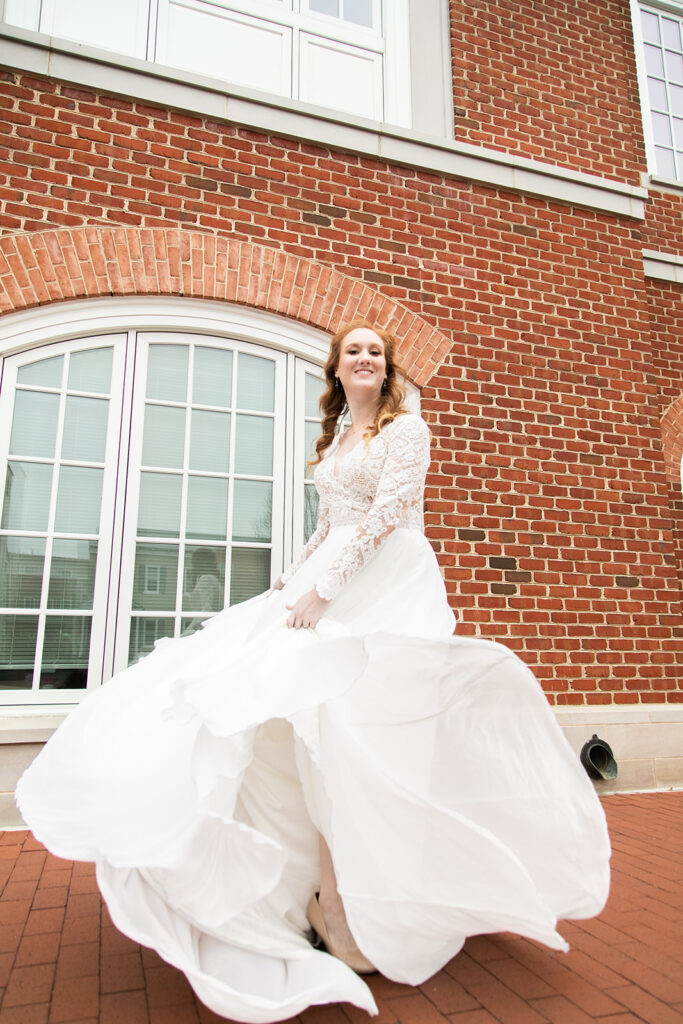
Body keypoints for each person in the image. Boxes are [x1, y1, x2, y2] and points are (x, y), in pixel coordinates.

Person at [15, 321, 610, 1023]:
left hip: (387, 580)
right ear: (336, 369)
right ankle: (293, 888)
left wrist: (326, 591)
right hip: (329, 574)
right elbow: (329, 522)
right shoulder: (334, 440)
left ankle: (354, 904)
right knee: (282, 718)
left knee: (352, 727)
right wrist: (293, 579)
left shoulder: (405, 431)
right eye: (352, 350)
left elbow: (388, 514)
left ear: (386, 370)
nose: (364, 359)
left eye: (375, 352)